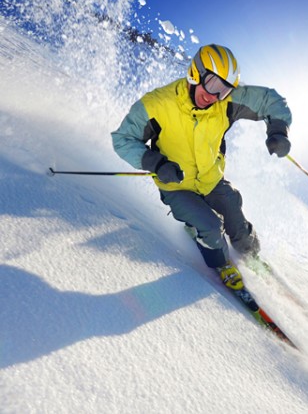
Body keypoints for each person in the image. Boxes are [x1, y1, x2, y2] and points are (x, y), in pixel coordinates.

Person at [111, 44, 292, 291]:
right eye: (212, 85)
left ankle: (250, 254)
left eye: (225, 89)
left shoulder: (225, 102)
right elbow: (123, 139)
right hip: (176, 185)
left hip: (211, 180)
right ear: (195, 73)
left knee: (234, 213)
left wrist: (279, 131)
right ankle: (221, 263)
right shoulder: (157, 104)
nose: (214, 96)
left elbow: (270, 99)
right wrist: (156, 163)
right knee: (210, 226)